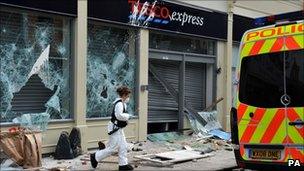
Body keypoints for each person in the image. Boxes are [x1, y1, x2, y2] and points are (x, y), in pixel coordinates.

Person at [90, 86, 134, 171]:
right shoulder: (119, 104)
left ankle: (123, 165)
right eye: (128, 96)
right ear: (124, 95)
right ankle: (95, 156)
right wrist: (128, 116)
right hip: (115, 129)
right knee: (112, 148)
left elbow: (119, 117)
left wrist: (126, 120)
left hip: (118, 128)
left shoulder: (122, 103)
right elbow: (119, 115)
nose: (129, 98)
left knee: (123, 146)